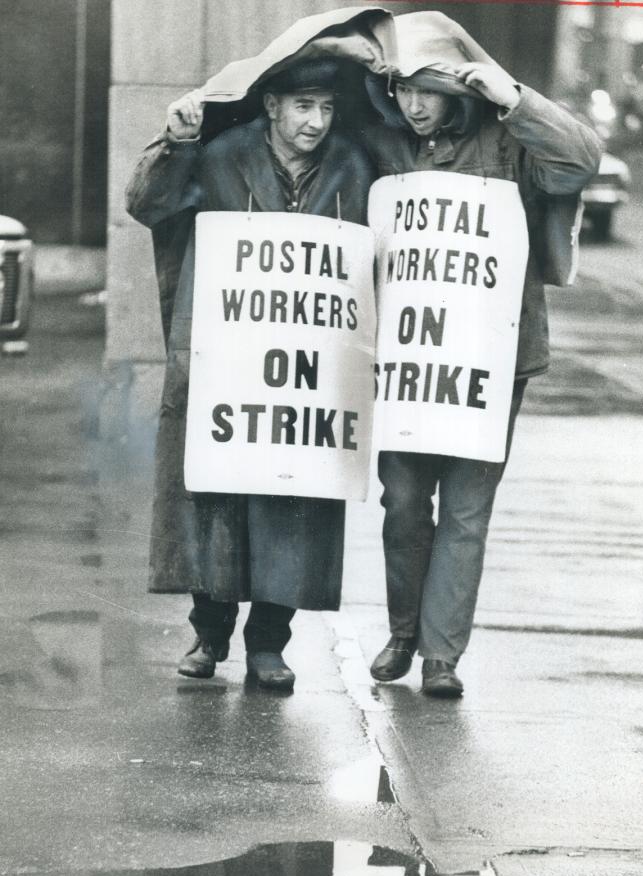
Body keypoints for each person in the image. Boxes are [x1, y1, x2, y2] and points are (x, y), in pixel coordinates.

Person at [363, 12, 601, 698]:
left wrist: (514, 97)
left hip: (492, 358)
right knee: (404, 501)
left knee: (466, 506)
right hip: (408, 358)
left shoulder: (510, 140)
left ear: (459, 88)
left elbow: (578, 160)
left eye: (427, 89)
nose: (412, 104)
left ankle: (441, 656)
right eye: (403, 90)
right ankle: (403, 631)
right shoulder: (386, 144)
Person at [126, 59, 375, 690]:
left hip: (308, 371)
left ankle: (270, 643)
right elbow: (147, 204)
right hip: (226, 359)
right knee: (217, 492)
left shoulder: (354, 166)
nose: (316, 122)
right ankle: (209, 632)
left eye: (325, 109)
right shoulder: (219, 156)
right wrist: (176, 144)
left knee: (294, 500)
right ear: (270, 106)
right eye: (302, 107)